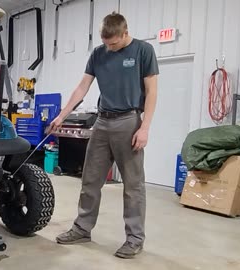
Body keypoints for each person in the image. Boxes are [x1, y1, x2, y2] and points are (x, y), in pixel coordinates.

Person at [49, 12, 159, 259]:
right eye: (105, 42)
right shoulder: (98, 53)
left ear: (125, 32)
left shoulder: (143, 51)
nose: (109, 47)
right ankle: (82, 228)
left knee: (133, 185)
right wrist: (62, 116)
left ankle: (134, 238)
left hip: (129, 121)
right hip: (102, 122)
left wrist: (145, 127)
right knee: (90, 180)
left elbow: (152, 92)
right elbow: (82, 87)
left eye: (114, 43)